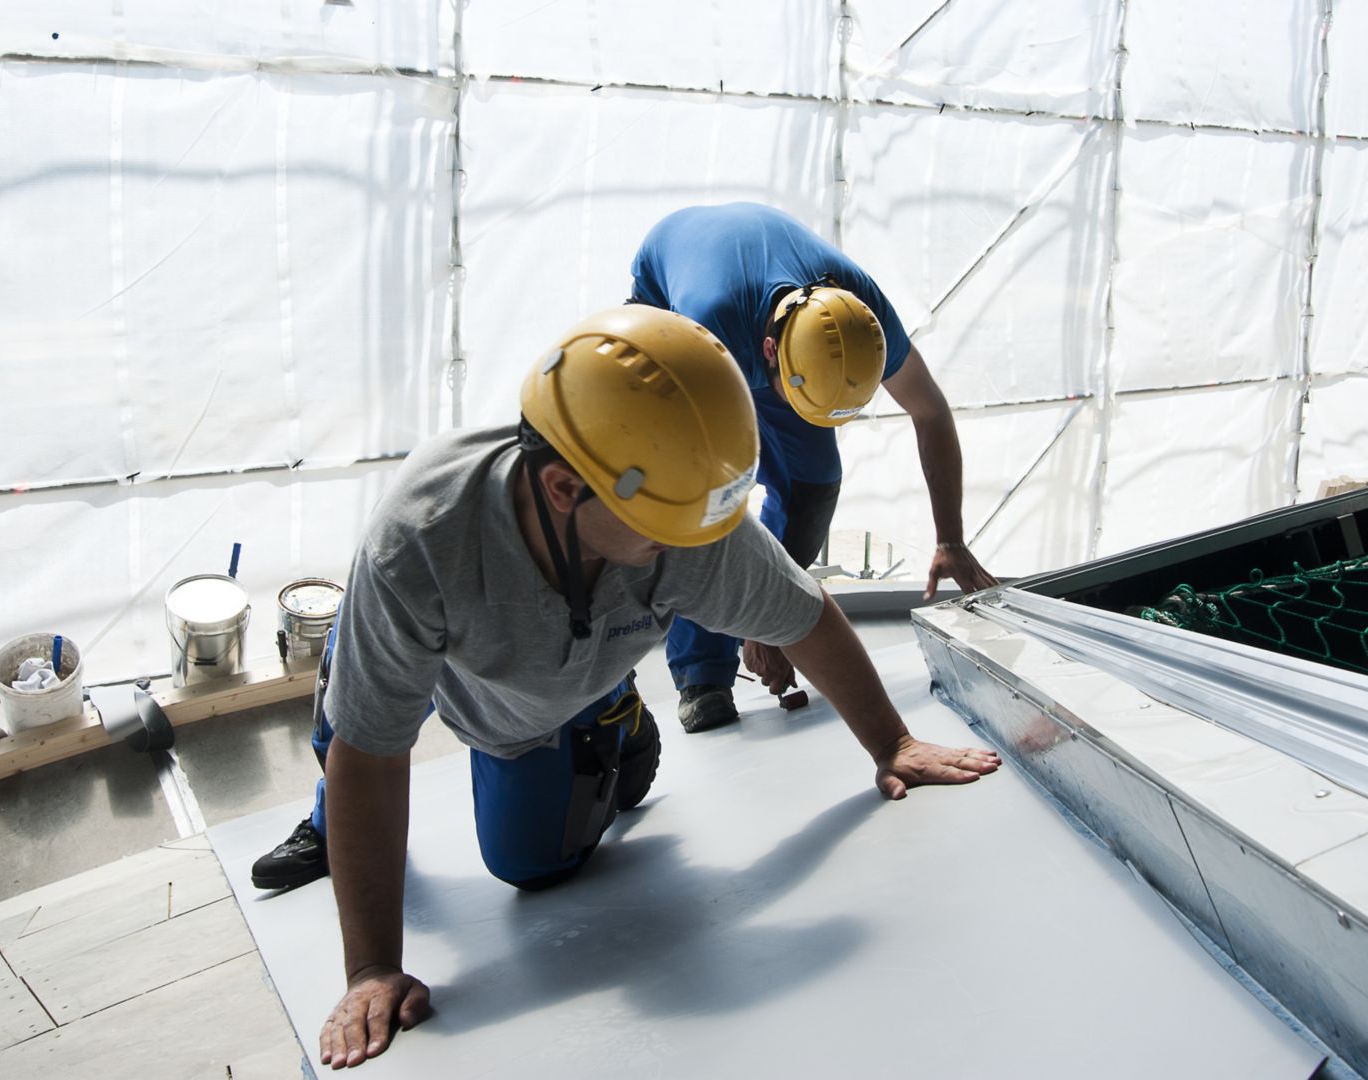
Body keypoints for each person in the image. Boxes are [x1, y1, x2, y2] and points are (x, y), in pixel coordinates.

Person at [261, 306, 1000, 1068]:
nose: (690, 549)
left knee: (532, 868)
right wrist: (372, 967)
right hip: (431, 641)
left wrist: (894, 742)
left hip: (528, 708)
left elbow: (805, 618)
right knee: (353, 726)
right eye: (661, 529)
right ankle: (336, 782)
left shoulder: (687, 514)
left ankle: (607, 709)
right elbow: (376, 755)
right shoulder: (420, 541)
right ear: (560, 487)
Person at [629, 202, 1000, 734]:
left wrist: (952, 539)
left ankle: (774, 616)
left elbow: (930, 411)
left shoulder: (864, 320)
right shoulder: (707, 330)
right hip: (671, 296)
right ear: (770, 354)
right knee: (709, 495)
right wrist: (763, 614)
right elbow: (705, 492)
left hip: (773, 328)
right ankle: (703, 675)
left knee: (814, 484)